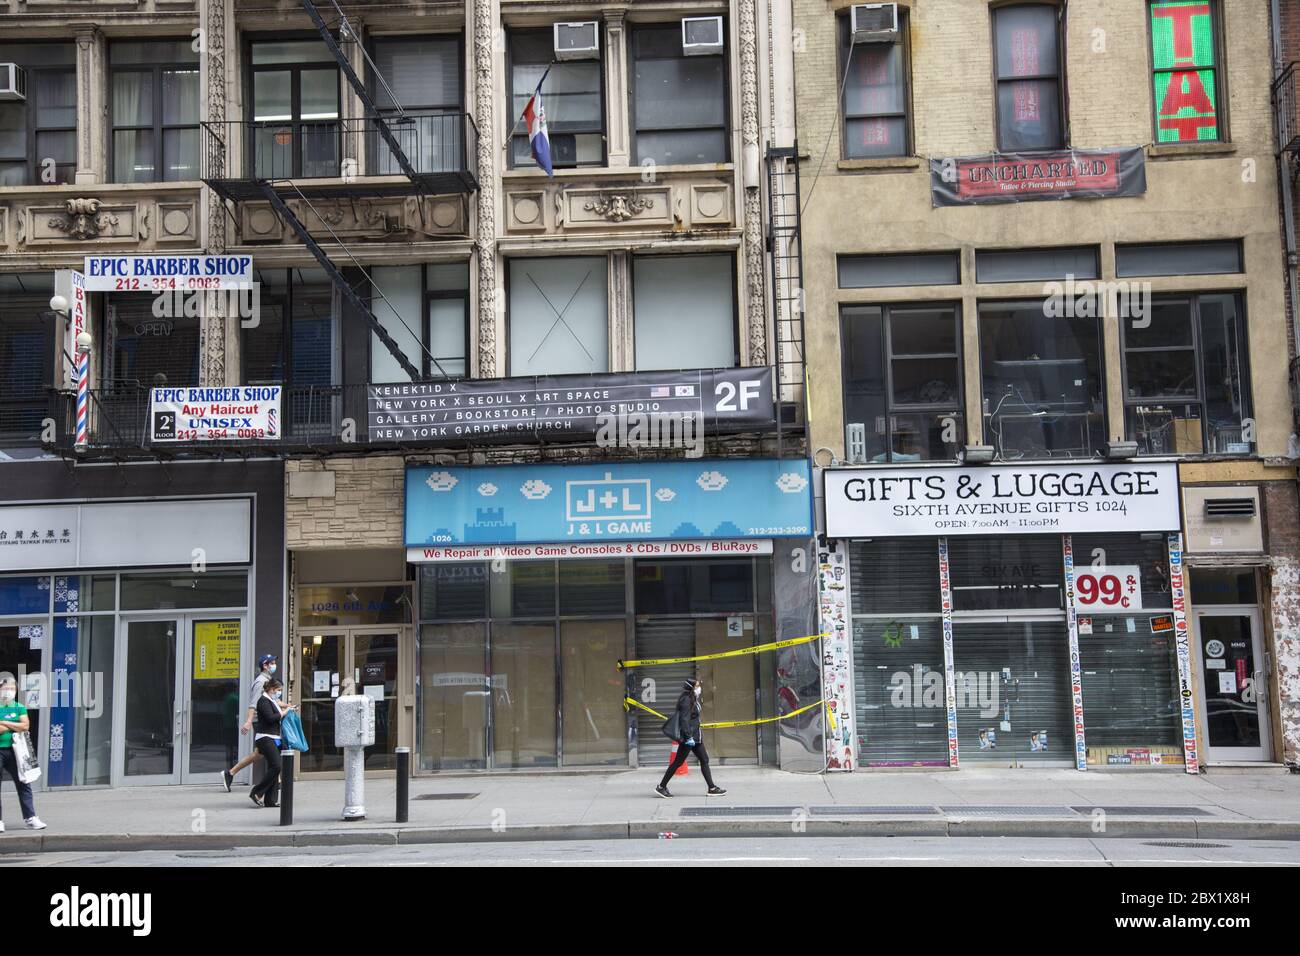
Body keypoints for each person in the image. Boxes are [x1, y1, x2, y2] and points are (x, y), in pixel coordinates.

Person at [655, 680, 726, 798]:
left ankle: (712, 788)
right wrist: (688, 737)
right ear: (691, 688)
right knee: (678, 762)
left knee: (704, 759)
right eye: (697, 686)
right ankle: (661, 787)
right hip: (690, 738)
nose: (699, 688)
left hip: (696, 737)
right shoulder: (686, 700)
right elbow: (684, 720)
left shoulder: (692, 698)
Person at [223, 654, 277, 791]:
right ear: (265, 665)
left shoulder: (268, 679)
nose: (274, 664)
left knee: (261, 752)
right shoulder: (260, 682)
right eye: (272, 662)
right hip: (260, 721)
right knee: (267, 751)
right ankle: (276, 780)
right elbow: (253, 704)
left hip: (264, 720)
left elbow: (272, 701)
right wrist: (248, 721)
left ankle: (230, 773)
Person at [0, 677, 45, 831]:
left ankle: (30, 817)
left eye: (12, 689)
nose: (9, 691)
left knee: (24, 783)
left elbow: (25, 726)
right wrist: (15, 725)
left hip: (16, 751)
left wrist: (4, 723)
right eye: (6, 688)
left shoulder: (19, 707)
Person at [250, 677, 292, 808]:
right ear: (271, 689)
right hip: (265, 738)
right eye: (278, 690)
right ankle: (257, 792)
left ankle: (271, 800)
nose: (279, 693)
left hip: (274, 737)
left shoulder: (271, 700)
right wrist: (285, 712)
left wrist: (288, 709)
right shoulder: (263, 701)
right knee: (276, 766)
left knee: (274, 767)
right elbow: (270, 718)